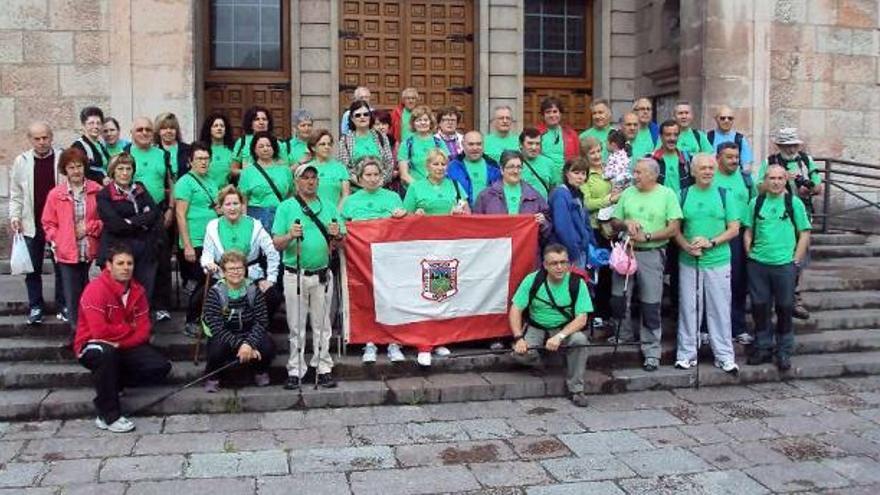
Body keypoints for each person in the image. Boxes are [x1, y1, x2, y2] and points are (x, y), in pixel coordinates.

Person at [75, 245, 171, 433]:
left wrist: (120, 342)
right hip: (90, 344)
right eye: (120, 263)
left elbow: (143, 332)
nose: (126, 267)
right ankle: (109, 415)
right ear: (109, 265)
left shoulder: (138, 291)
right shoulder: (95, 290)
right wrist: (129, 329)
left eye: (129, 263)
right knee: (107, 354)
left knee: (160, 366)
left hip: (120, 345)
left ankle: (114, 383)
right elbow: (99, 330)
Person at [273, 163, 345, 390]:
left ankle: (323, 366)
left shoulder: (330, 206)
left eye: (313, 177)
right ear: (297, 181)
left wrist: (337, 234)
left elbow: (341, 238)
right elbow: (276, 243)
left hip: (322, 273)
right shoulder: (285, 207)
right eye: (305, 178)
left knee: (323, 324)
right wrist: (289, 236)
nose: (310, 181)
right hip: (295, 273)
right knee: (296, 325)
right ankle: (296, 369)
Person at [610, 157, 683, 371]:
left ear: (652, 174)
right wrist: (626, 223)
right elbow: (614, 222)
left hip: (651, 253)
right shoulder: (628, 193)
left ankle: (651, 350)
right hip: (626, 252)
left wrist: (648, 236)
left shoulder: (667, 194)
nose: (635, 176)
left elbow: (674, 228)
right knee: (618, 298)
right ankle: (621, 337)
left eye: (639, 172)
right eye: (635, 172)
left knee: (651, 303)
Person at [674, 154, 740, 373]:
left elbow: (734, 228)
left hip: (718, 260)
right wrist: (685, 245)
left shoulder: (724, 194)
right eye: (703, 168)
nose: (708, 172)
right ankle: (686, 353)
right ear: (693, 171)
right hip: (689, 260)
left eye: (711, 168)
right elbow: (675, 229)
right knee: (689, 307)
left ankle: (724, 355)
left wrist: (711, 242)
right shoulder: (682, 194)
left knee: (719, 308)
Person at [744, 164, 812, 371]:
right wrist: (750, 254)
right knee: (760, 307)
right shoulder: (756, 202)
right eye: (771, 178)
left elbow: (805, 234)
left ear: (785, 180)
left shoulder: (794, 204)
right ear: (765, 180)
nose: (775, 182)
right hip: (759, 264)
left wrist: (796, 260)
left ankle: (783, 349)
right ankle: (763, 346)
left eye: (780, 178)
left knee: (784, 307)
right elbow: (748, 231)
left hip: (784, 265)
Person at [341, 157, 407, 364]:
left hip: (389, 261)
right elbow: (341, 228)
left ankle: (393, 342)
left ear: (382, 177)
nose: (372, 179)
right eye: (367, 175)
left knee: (391, 299)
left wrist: (403, 215)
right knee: (366, 300)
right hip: (361, 261)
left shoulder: (393, 197)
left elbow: (404, 226)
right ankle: (369, 342)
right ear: (359, 179)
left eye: (376, 175)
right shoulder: (350, 201)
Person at [510, 243, 592, 407]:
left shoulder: (577, 283)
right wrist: (519, 338)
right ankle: (539, 361)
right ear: (545, 265)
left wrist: (560, 337)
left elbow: (581, 318)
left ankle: (576, 389)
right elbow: (515, 309)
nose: (560, 267)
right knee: (519, 354)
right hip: (536, 326)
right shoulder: (532, 280)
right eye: (554, 263)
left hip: (564, 327)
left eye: (564, 262)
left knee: (580, 340)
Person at [756, 127, 822, 320]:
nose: (792, 149)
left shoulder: (805, 160)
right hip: (774, 216)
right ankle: (773, 299)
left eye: (794, 145)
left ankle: (795, 299)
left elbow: (818, 186)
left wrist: (807, 188)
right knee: (776, 256)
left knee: (799, 258)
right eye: (787, 146)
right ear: (779, 146)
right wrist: (778, 181)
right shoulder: (770, 162)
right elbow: (758, 186)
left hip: (801, 214)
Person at [41, 148, 103, 343]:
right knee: (72, 297)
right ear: (64, 170)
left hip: (91, 251)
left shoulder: (96, 190)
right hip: (67, 253)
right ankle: (78, 334)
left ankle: (94, 332)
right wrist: (58, 238)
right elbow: (47, 222)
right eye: (71, 167)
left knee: (92, 296)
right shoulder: (55, 194)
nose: (76, 171)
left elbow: (105, 219)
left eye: (79, 166)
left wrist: (89, 228)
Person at [9, 122, 66, 325]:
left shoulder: (62, 158)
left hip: (58, 224)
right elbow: (16, 194)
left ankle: (63, 304)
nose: (42, 142)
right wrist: (15, 217)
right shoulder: (21, 161)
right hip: (31, 223)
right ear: (30, 139)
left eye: (45, 138)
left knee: (62, 266)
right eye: (37, 138)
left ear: (51, 137)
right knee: (32, 268)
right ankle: (35, 306)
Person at [202, 251, 276, 392]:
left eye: (239, 268)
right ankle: (213, 376)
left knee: (267, 346)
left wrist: (249, 343)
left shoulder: (253, 290)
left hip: (248, 332)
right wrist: (242, 345)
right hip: (225, 334)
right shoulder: (215, 292)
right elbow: (216, 327)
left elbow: (261, 321)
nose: (236, 272)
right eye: (231, 269)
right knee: (216, 349)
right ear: (223, 272)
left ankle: (260, 370)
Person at [96, 153, 162, 301]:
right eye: (120, 169)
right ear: (113, 171)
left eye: (128, 168)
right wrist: (141, 220)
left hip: (144, 248)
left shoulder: (140, 188)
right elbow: (115, 225)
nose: (125, 173)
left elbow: (154, 213)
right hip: (117, 249)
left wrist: (129, 222)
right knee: (119, 294)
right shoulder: (104, 195)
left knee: (143, 293)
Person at [128, 116, 175, 322]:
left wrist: (171, 209)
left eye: (148, 129)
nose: (145, 133)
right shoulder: (125, 154)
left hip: (159, 211)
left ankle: (161, 305)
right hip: (134, 212)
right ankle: (137, 304)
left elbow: (171, 182)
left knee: (162, 260)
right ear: (132, 133)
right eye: (140, 129)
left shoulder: (162, 154)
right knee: (136, 261)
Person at [174, 143, 220, 337]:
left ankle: (205, 317)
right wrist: (187, 245)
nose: (203, 162)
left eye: (206, 158)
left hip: (212, 239)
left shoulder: (212, 180)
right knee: (202, 281)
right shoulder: (185, 182)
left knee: (210, 281)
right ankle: (191, 319)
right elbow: (180, 214)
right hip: (195, 239)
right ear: (190, 161)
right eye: (199, 158)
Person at [712, 141, 756, 344]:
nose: (734, 161)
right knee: (713, 284)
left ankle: (737, 327)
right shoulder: (710, 178)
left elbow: (755, 204)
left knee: (738, 283)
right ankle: (708, 328)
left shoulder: (746, 179)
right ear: (718, 157)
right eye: (729, 157)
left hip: (739, 237)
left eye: (736, 157)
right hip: (716, 236)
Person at [201, 186, 279, 292]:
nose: (232, 208)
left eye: (235, 203)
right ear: (221, 208)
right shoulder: (212, 226)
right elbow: (207, 254)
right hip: (221, 276)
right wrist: (209, 264)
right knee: (196, 302)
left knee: (273, 296)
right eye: (228, 204)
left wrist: (270, 279)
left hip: (251, 276)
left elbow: (272, 252)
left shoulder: (255, 225)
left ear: (242, 205)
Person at [581, 137, 618, 323]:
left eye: (598, 151)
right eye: (592, 152)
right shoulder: (585, 175)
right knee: (598, 271)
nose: (596, 156)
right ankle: (596, 313)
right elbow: (586, 203)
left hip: (613, 226)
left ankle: (608, 311)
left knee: (612, 271)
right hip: (595, 228)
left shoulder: (609, 168)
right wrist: (608, 199)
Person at [474, 150, 551, 239]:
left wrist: (543, 222)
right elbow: (476, 227)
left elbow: (548, 231)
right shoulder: (486, 196)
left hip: (525, 249)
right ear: (502, 169)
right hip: (496, 250)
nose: (515, 171)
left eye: (519, 167)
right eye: (511, 167)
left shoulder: (534, 195)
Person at [238, 131, 294, 232]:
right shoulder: (247, 172)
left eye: (268, 145)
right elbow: (243, 201)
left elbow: (290, 195)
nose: (265, 149)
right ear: (254, 149)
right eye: (261, 146)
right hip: (257, 219)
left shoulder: (285, 170)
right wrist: (244, 225)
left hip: (281, 218)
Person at [548, 157, 592, 269]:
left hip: (581, 250)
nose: (580, 177)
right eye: (576, 172)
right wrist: (575, 253)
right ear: (567, 173)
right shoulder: (560, 194)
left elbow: (586, 224)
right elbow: (562, 228)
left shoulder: (578, 194)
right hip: (567, 254)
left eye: (583, 173)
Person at [337, 100, 394, 186]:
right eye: (358, 115)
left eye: (365, 114)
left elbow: (389, 163)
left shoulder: (381, 137)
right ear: (352, 119)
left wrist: (379, 182)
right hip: (356, 190)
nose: (362, 117)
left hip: (380, 187)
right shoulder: (345, 140)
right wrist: (362, 183)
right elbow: (344, 167)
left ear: (370, 117)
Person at [403, 149, 470, 216]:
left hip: (451, 226)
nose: (440, 168)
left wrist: (460, 212)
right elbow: (406, 216)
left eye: (443, 164)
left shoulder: (455, 185)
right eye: (436, 164)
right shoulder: (415, 187)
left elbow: (468, 213)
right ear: (427, 166)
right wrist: (416, 215)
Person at [446, 131, 502, 207]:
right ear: (462, 144)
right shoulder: (453, 167)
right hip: (462, 215)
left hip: (489, 214)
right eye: (471, 144)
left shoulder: (494, 166)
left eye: (479, 144)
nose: (475, 148)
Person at [397, 105, 446, 186]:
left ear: (431, 123)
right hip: (414, 189)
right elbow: (404, 175)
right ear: (413, 123)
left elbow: (446, 169)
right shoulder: (406, 144)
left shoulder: (439, 142)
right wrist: (421, 188)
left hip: (437, 188)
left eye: (426, 120)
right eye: (419, 120)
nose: (422, 122)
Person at [536, 97, 579, 183]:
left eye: (555, 111)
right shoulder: (536, 133)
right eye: (548, 112)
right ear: (543, 115)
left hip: (566, 180)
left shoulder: (571, 134)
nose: (552, 115)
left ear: (560, 113)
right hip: (543, 179)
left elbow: (577, 159)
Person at [307, 129, 350, 209]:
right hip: (313, 215)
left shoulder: (340, 168)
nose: (327, 147)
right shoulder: (307, 169)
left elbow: (345, 195)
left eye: (329, 144)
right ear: (313, 147)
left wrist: (336, 214)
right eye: (322, 144)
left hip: (336, 216)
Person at [232, 106, 282, 174]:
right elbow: (233, 170)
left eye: (264, 119)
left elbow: (284, 167)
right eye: (256, 119)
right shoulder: (242, 142)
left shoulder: (277, 143)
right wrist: (250, 172)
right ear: (250, 123)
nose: (261, 122)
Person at [71, 106, 111, 185]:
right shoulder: (78, 146)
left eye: (98, 123)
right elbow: (79, 170)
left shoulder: (101, 144)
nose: (95, 126)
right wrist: (101, 178)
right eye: (91, 123)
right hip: (89, 189)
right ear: (83, 125)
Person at [651, 120, 692, 196]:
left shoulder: (688, 159)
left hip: (681, 204)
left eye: (675, 135)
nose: (672, 138)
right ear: (661, 136)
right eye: (668, 135)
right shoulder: (651, 159)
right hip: (660, 204)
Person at [707, 105, 754, 173]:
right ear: (716, 119)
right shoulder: (708, 137)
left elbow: (746, 167)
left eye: (730, 118)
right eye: (723, 118)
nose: (726, 121)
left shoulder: (740, 139)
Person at [198, 112, 235, 188]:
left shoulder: (232, 150)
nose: (219, 128)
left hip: (226, 195)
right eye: (215, 126)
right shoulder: (202, 150)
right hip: (206, 192)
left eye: (222, 126)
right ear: (209, 129)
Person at [519, 127, 555, 199]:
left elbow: (553, 189)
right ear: (521, 144)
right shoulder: (513, 162)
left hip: (543, 208)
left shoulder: (549, 163)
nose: (534, 147)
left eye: (537, 144)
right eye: (530, 143)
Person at [154, 112, 192, 178]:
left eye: (172, 128)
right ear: (158, 131)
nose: (168, 131)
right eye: (164, 128)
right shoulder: (154, 151)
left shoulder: (188, 150)